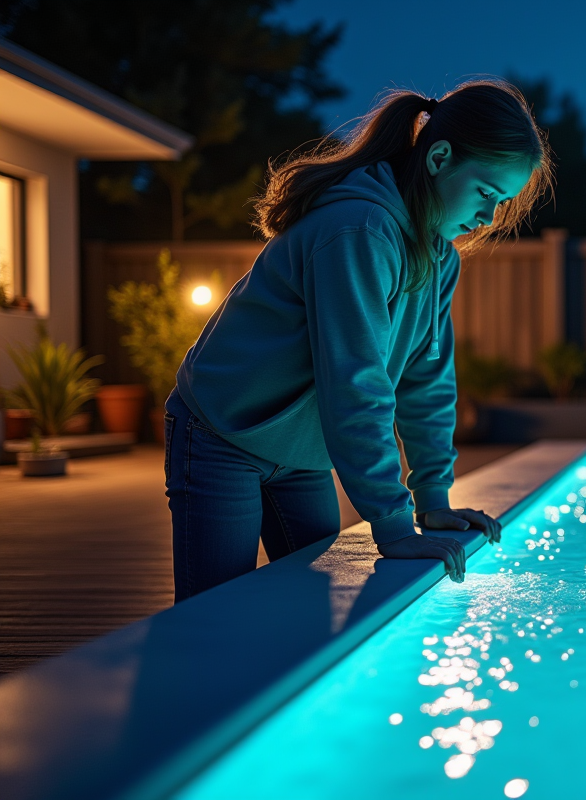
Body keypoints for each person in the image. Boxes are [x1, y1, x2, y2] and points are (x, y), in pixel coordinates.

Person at [164, 80, 552, 601]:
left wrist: (432, 497)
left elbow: (427, 380)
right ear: (439, 158)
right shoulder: (359, 230)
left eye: (500, 203)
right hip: (222, 435)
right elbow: (355, 382)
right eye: (486, 192)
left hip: (303, 452)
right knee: (210, 616)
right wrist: (392, 526)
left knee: (311, 610)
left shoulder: (440, 258)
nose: (488, 217)